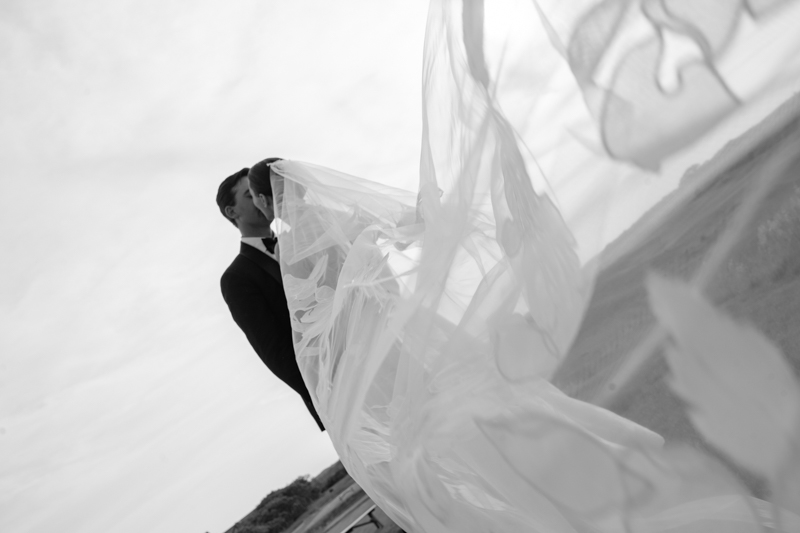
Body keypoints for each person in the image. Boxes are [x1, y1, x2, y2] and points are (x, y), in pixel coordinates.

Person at [216, 164, 325, 432]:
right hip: (332, 392)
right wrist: (330, 392)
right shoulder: (237, 278)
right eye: (248, 195)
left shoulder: (304, 238)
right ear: (232, 212)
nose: (261, 196)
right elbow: (276, 354)